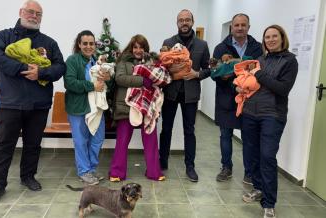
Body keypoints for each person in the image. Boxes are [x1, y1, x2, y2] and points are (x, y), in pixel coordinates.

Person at [0, 0, 66, 205]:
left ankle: (28, 176)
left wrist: (41, 72)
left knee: (33, 145)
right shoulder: (3, 36)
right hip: (9, 102)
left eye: (38, 14)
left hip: (39, 104)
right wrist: (22, 67)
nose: (34, 16)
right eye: (30, 12)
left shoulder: (49, 43)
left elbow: (60, 68)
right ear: (21, 12)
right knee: (4, 145)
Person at [240, 25, 298, 218]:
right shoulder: (261, 60)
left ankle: (269, 202)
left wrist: (259, 74)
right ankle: (258, 188)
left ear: (282, 38)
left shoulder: (290, 61)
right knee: (251, 155)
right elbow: (251, 83)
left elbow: (282, 89)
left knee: (267, 157)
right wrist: (241, 89)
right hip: (250, 113)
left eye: (275, 36)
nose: (271, 40)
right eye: (267, 37)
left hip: (272, 116)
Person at [159, 9, 211, 182]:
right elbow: (162, 66)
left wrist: (197, 74)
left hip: (191, 95)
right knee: (166, 129)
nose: (184, 23)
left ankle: (190, 166)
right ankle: (162, 162)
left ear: (192, 21)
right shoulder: (168, 42)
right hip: (170, 93)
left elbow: (208, 69)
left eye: (187, 20)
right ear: (177, 23)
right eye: (181, 20)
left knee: (190, 131)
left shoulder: (202, 45)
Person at [212, 13, 263, 184]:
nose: (240, 28)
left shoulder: (257, 47)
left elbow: (259, 69)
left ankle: (249, 172)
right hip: (226, 99)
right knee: (225, 135)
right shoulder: (220, 48)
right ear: (231, 27)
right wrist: (224, 75)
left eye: (243, 25)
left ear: (248, 27)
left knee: (249, 137)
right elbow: (214, 72)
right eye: (236, 25)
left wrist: (234, 68)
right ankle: (226, 167)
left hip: (250, 100)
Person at [109, 34, 165, 182]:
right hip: (127, 107)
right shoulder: (123, 61)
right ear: (131, 48)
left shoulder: (152, 62)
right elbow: (120, 79)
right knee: (122, 141)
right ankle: (117, 173)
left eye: (141, 47)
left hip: (146, 107)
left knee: (151, 140)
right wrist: (142, 80)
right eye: (135, 47)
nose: (138, 50)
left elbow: (159, 78)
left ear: (146, 49)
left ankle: (154, 172)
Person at [64, 30, 111, 185]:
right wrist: (91, 86)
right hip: (78, 108)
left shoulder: (97, 62)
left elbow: (105, 86)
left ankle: (91, 168)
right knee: (81, 141)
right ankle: (84, 171)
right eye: (85, 43)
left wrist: (107, 79)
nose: (88, 46)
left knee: (97, 139)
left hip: (96, 108)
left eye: (91, 43)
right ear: (79, 44)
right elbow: (69, 83)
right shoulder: (72, 61)